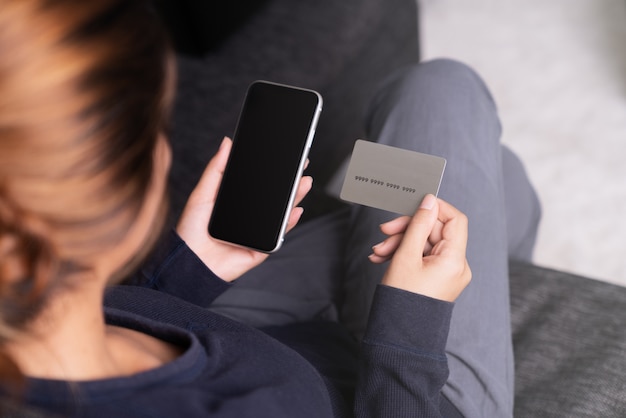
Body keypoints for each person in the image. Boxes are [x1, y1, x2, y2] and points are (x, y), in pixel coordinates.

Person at [0, 1, 541, 417]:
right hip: (393, 393)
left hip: (215, 326)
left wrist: (186, 268)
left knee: (482, 176)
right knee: (447, 94)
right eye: (153, 133)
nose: (165, 151)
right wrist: (410, 326)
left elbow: (107, 320)